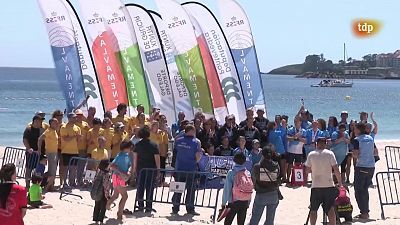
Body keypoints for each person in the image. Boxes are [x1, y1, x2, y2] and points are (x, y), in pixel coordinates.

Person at [305, 137, 342, 225]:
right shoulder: (330, 154)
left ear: (316, 144)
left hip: (316, 185)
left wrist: (313, 171)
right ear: (325, 144)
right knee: (330, 208)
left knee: (313, 209)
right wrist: (340, 183)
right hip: (328, 185)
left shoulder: (311, 154)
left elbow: (307, 170)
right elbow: (336, 169)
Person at [172, 124, 202, 215]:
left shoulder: (178, 140)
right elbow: (198, 156)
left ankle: (175, 207)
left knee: (177, 188)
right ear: (192, 131)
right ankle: (190, 208)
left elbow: (176, 152)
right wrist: (196, 162)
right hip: (190, 168)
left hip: (179, 168)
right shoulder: (195, 142)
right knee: (191, 189)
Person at [248, 144, 280, 225]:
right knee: (270, 221)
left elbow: (253, 179)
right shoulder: (277, 166)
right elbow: (278, 178)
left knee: (255, 219)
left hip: (261, 194)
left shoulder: (257, 167)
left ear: (262, 154)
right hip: (273, 194)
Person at [133, 126, 160, 213]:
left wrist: (134, 169)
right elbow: (157, 158)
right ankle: (149, 207)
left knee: (140, 187)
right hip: (151, 169)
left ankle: (140, 206)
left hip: (140, 169)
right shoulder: (154, 145)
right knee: (150, 188)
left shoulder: (137, 145)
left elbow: (135, 158)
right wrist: (158, 170)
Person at [352, 122, 375, 219]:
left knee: (358, 190)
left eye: (355, 129)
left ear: (358, 130)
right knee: (365, 190)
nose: (354, 130)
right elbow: (375, 151)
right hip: (371, 166)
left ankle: (364, 212)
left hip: (361, 166)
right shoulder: (370, 138)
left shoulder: (356, 140)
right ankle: (366, 211)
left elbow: (356, 154)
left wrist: (352, 154)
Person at [221, 152, 252, 225]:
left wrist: (223, 203)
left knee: (228, 221)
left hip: (233, 201)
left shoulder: (231, 172)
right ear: (244, 161)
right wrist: (248, 201)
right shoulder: (247, 173)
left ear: (234, 160)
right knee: (241, 222)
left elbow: (227, 189)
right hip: (245, 200)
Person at [107, 141, 133, 221]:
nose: (131, 149)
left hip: (118, 177)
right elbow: (111, 166)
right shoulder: (121, 156)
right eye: (130, 147)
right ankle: (119, 214)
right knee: (125, 196)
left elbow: (130, 165)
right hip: (119, 177)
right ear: (127, 148)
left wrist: (128, 171)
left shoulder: (125, 156)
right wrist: (122, 173)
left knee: (116, 195)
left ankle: (107, 206)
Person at [59, 112, 81, 188]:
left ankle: (72, 182)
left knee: (74, 168)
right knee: (65, 168)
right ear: (69, 118)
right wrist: (74, 136)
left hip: (75, 151)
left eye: (76, 117)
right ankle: (64, 183)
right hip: (66, 151)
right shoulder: (64, 127)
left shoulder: (77, 128)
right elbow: (65, 138)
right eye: (74, 117)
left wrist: (76, 137)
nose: (75, 119)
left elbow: (78, 140)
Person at [23, 115, 45, 188]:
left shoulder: (42, 130)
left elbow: (44, 141)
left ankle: (37, 185)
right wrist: (29, 148)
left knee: (39, 169)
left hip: (40, 153)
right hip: (31, 153)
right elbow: (25, 140)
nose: (41, 122)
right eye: (39, 120)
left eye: (41, 121)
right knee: (29, 169)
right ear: (35, 121)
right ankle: (27, 185)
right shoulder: (28, 129)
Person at [37, 118, 59, 189]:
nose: (57, 124)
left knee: (52, 170)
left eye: (57, 122)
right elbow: (40, 139)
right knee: (52, 172)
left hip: (54, 152)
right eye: (55, 123)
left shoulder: (53, 131)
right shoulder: (48, 131)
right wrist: (39, 149)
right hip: (50, 153)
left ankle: (49, 185)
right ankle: (47, 186)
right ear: (51, 123)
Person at [286, 117, 306, 181]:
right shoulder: (290, 129)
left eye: (297, 121)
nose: (295, 123)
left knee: (298, 165)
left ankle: (296, 180)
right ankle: (288, 178)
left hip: (299, 151)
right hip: (290, 150)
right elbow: (288, 138)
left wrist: (298, 138)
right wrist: (295, 137)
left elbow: (305, 141)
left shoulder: (303, 131)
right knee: (290, 165)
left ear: (300, 122)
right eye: (294, 121)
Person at [92, 159, 112, 224]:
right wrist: (108, 194)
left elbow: (94, 181)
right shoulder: (107, 174)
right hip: (103, 193)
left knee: (97, 205)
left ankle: (95, 219)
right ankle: (101, 221)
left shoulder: (98, 171)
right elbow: (106, 185)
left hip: (97, 191)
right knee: (103, 207)